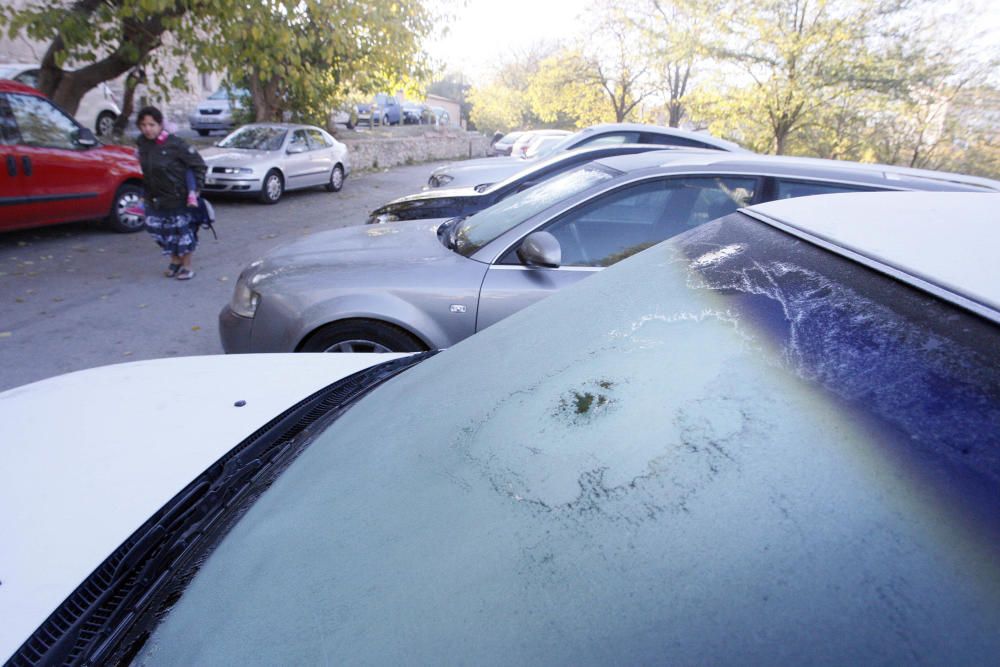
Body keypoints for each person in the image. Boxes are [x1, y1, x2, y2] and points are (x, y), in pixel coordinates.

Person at [135, 106, 207, 280]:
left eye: (152, 124)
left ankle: (186, 266)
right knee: (160, 231)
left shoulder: (175, 144)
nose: (147, 129)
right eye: (143, 125)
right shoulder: (143, 144)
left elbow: (199, 165)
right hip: (155, 198)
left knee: (182, 233)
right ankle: (175, 260)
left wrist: (195, 190)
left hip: (179, 197)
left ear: (160, 125)